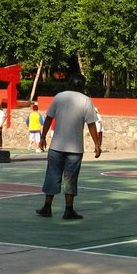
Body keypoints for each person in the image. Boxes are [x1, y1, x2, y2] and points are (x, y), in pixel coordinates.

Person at [36, 74, 101, 220]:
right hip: (75, 148)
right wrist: (97, 144)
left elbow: (48, 118)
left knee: (52, 175)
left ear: (69, 84)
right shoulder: (86, 100)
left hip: (56, 145)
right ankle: (68, 209)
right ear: (83, 86)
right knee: (71, 178)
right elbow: (91, 124)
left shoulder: (59, 97)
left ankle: (47, 207)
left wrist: (42, 137)